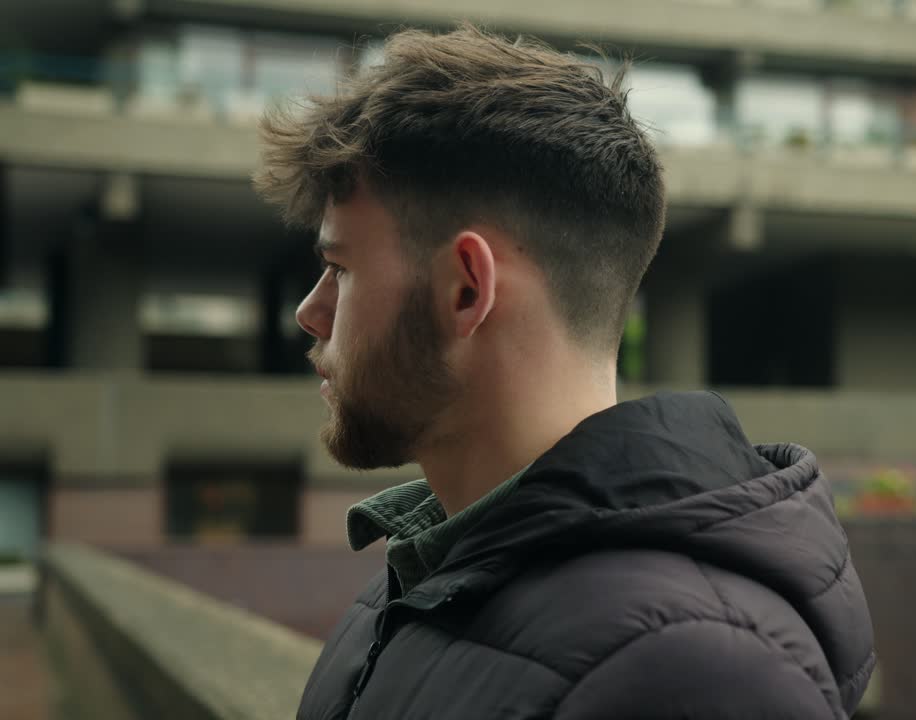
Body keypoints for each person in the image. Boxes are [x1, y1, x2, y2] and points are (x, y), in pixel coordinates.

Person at [256, 24, 875, 720]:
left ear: (466, 289)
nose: (311, 312)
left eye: (341, 268)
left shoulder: (697, 676)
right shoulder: (413, 585)